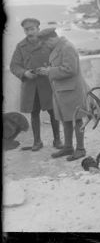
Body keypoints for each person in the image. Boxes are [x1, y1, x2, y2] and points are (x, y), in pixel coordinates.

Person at [35, 28, 89, 161]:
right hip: (62, 91)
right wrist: (48, 70)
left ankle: (80, 149)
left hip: (72, 90)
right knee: (66, 119)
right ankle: (68, 147)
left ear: (52, 38)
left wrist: (49, 71)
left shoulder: (67, 47)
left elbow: (70, 69)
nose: (46, 46)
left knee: (77, 119)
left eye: (46, 43)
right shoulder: (59, 47)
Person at [9, 18, 61, 151]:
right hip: (30, 86)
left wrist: (49, 70)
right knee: (34, 114)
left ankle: (57, 140)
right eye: (26, 29)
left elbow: (58, 59)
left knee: (53, 112)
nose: (29, 32)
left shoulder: (47, 42)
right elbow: (14, 65)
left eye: (32, 29)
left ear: (38, 29)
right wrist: (25, 73)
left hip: (47, 84)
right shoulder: (21, 46)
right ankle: (37, 142)